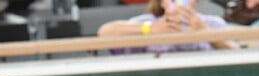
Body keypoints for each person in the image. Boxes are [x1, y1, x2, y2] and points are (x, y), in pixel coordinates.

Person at [97, 0, 235, 53]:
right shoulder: (147, 22)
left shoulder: (213, 23)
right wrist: (150, 29)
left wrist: (204, 31)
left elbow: (238, 54)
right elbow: (105, 32)